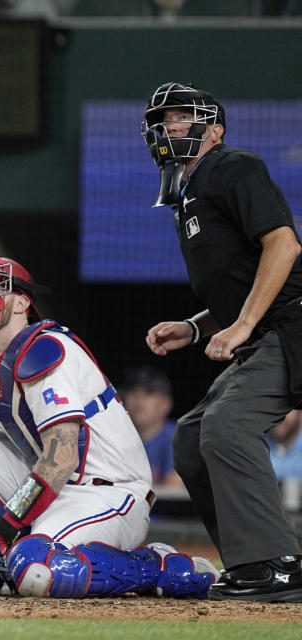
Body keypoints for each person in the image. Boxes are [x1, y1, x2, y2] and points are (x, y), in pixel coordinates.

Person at [0, 252, 218, 598]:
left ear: (21, 302)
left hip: (110, 491)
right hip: (60, 489)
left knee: (38, 569)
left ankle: (164, 568)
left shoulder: (45, 348)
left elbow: (61, 459)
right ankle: (6, 560)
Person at [141, 82, 302, 602]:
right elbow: (243, 282)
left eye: (182, 117)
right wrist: (195, 326)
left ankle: (279, 565)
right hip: (269, 329)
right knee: (191, 439)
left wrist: (242, 326)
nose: (169, 127)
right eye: (163, 120)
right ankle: (251, 563)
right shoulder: (186, 194)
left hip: (291, 325)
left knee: (227, 426)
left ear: (215, 130)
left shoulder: (234, 166)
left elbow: (284, 245)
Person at [119, 366, 184, 488]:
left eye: (149, 392)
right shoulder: (113, 437)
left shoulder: (177, 437)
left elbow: (172, 491)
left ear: (166, 404)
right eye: (132, 391)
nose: (138, 398)